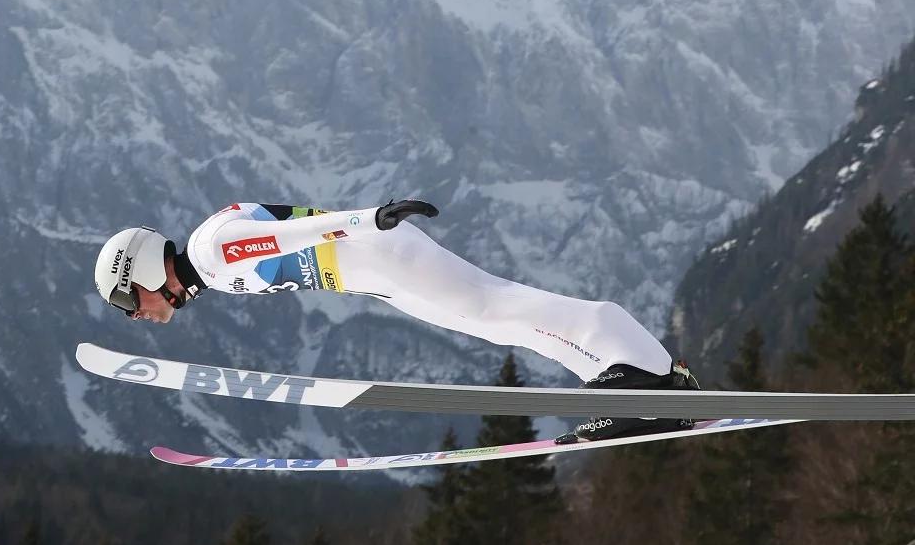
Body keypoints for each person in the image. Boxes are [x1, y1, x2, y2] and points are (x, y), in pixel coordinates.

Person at [93, 200, 699, 442]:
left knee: (498, 306)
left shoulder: (211, 252)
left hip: (380, 254)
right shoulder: (208, 255)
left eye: (129, 302)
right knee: (496, 318)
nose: (138, 315)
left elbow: (290, 232)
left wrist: (368, 219)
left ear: (141, 271)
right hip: (377, 274)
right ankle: (629, 381)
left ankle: (640, 373)